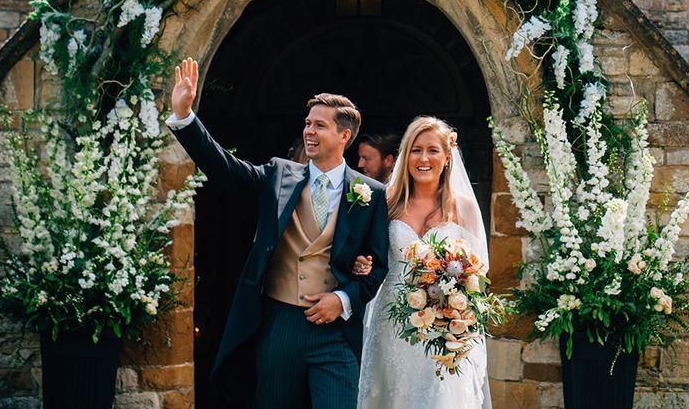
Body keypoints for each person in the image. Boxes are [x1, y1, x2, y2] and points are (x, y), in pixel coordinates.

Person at [168, 58, 389, 409]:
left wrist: (344, 300)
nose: (309, 132)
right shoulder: (279, 175)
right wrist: (185, 117)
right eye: (307, 124)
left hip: (335, 332)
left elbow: (377, 267)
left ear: (344, 136)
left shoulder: (371, 194)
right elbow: (225, 168)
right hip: (279, 323)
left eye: (319, 125)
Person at [355, 116, 491, 408]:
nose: (423, 158)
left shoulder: (462, 207)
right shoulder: (387, 203)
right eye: (416, 150)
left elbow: (479, 272)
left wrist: (458, 307)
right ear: (406, 155)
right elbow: (370, 256)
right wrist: (361, 265)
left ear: (447, 157)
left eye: (432, 150)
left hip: (444, 327)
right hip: (391, 324)